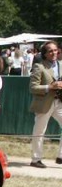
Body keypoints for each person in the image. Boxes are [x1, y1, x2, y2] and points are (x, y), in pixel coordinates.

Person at [28, 40, 62, 168]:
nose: (54, 53)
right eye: (50, 51)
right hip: (44, 102)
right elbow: (32, 88)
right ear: (45, 54)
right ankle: (36, 159)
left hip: (59, 102)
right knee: (39, 131)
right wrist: (49, 87)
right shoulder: (39, 66)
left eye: (55, 50)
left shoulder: (60, 64)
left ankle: (61, 156)